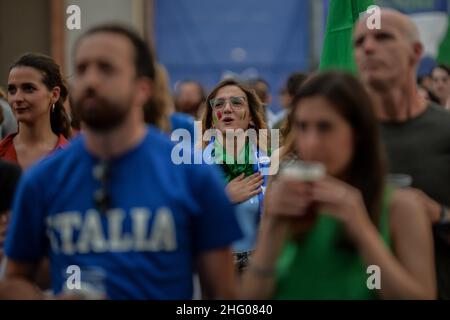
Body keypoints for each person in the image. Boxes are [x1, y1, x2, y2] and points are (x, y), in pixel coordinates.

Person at [2, 24, 241, 300]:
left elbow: (224, 295)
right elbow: (14, 279)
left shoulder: (193, 175)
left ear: (142, 89)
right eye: (81, 70)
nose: (90, 81)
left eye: (106, 69)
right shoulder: (42, 179)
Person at [241, 71, 436, 300]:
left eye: (325, 127)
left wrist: (362, 230)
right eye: (302, 127)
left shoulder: (400, 207)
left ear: (359, 133)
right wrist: (273, 226)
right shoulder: (291, 201)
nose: (311, 142)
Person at [353, 8, 450, 299]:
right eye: (359, 42)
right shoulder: (340, 136)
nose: (369, 48)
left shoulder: (445, 130)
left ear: (416, 52)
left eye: (383, 37)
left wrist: (441, 215)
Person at [200, 78, 269, 272]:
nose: (227, 109)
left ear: (252, 118)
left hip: (256, 269)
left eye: (237, 102)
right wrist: (223, 199)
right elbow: (181, 222)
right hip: (211, 268)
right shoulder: (193, 166)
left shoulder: (269, 165)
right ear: (212, 119)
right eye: (219, 104)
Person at [0, 53, 70, 169]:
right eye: (12, 90)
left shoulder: (71, 157)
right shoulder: (2, 152)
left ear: (54, 94)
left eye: (29, 89)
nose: (17, 98)